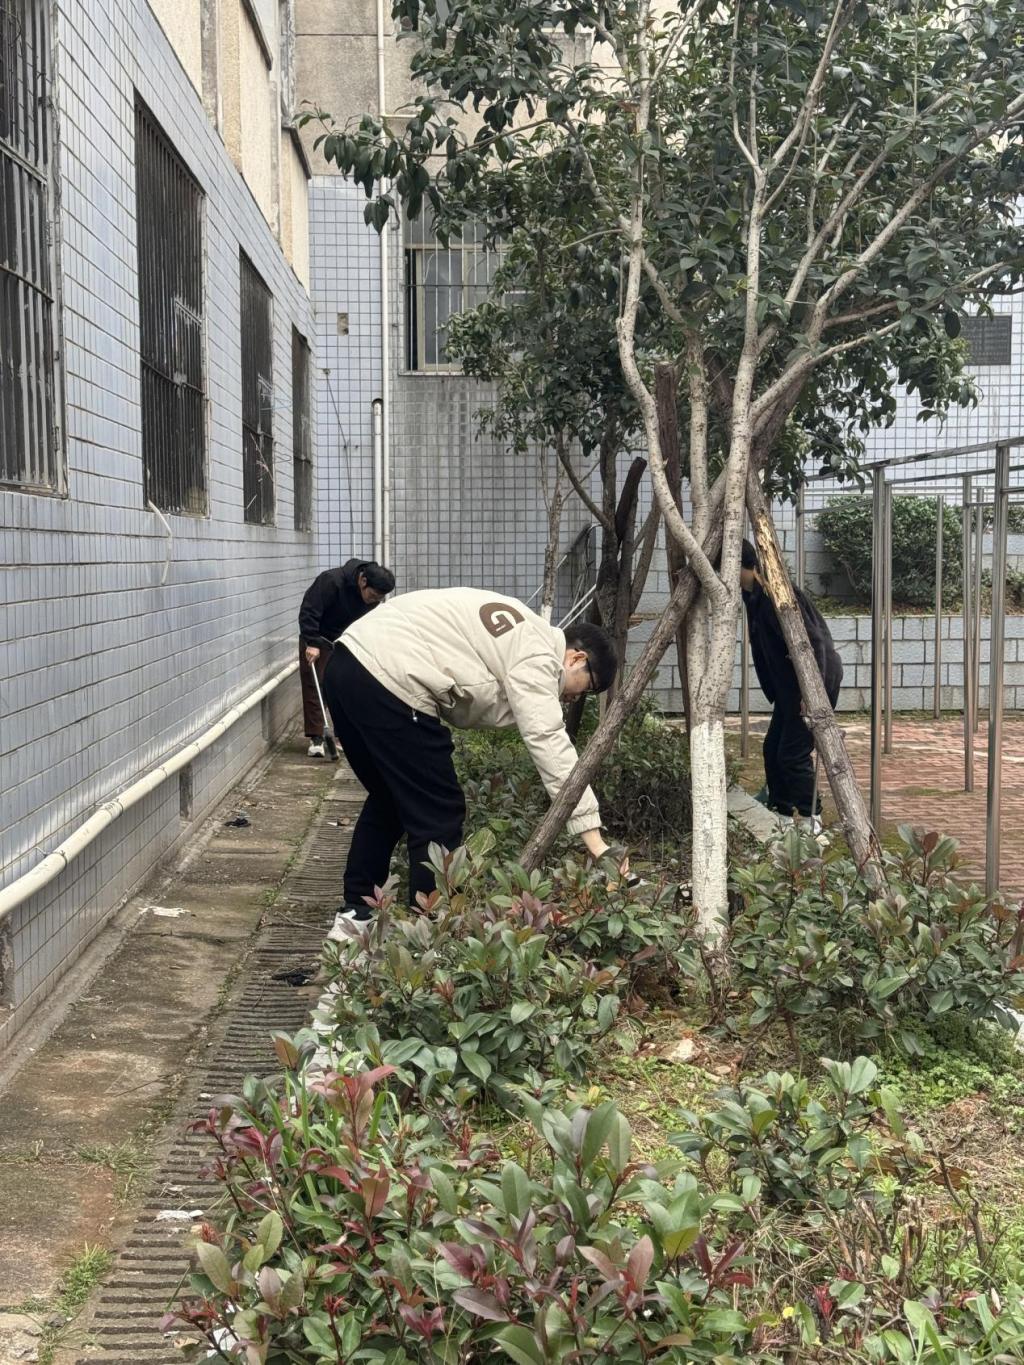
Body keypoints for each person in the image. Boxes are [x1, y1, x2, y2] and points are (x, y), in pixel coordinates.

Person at [323, 587, 619, 920]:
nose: (576, 698)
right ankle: (431, 930)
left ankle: (356, 913)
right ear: (576, 659)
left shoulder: (521, 626)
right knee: (439, 811)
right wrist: (597, 844)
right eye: (588, 688)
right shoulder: (540, 657)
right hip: (390, 676)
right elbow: (548, 740)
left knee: (390, 797)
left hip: (346, 663)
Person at [739, 539, 843, 819]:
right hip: (790, 687)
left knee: (792, 754)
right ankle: (781, 813)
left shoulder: (775, 594)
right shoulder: (751, 595)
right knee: (773, 749)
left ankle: (812, 819)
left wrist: (812, 694)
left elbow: (814, 641)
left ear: (739, 566)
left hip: (814, 681)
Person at [298, 560, 395, 757]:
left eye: (379, 598)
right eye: (373, 595)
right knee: (315, 686)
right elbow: (309, 610)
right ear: (363, 581)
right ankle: (317, 738)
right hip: (318, 637)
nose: (374, 600)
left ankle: (342, 735)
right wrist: (312, 642)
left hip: (345, 640)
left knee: (345, 688)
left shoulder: (373, 598)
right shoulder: (331, 581)